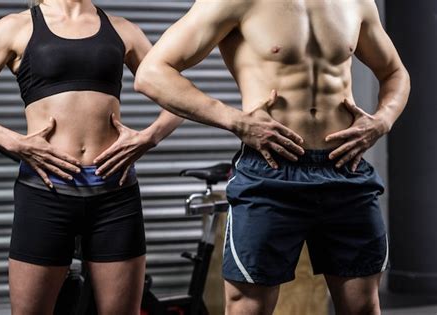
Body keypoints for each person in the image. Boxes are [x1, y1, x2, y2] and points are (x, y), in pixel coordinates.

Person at [134, 1, 410, 314]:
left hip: (345, 169)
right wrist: (235, 120)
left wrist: (383, 119)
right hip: (271, 171)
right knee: (247, 307)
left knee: (362, 306)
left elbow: (394, 72)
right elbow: (151, 73)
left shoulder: (356, 2)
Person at [0, 0, 183, 314]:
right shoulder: (16, 27)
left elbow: (179, 95)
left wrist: (149, 137)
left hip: (114, 194)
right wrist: (13, 142)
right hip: (45, 193)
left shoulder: (123, 30)